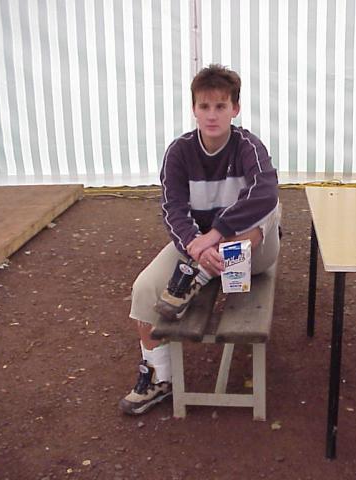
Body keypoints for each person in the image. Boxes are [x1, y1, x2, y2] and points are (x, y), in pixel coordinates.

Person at [119, 64, 281, 415]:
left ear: (235, 109)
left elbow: (265, 193)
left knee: (269, 208)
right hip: (199, 248)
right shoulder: (179, 152)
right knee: (144, 288)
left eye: (221, 106)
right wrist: (194, 244)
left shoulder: (248, 146)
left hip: (251, 256)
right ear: (193, 108)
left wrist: (215, 235)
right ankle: (160, 377)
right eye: (204, 106)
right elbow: (173, 208)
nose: (212, 115)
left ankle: (202, 273)